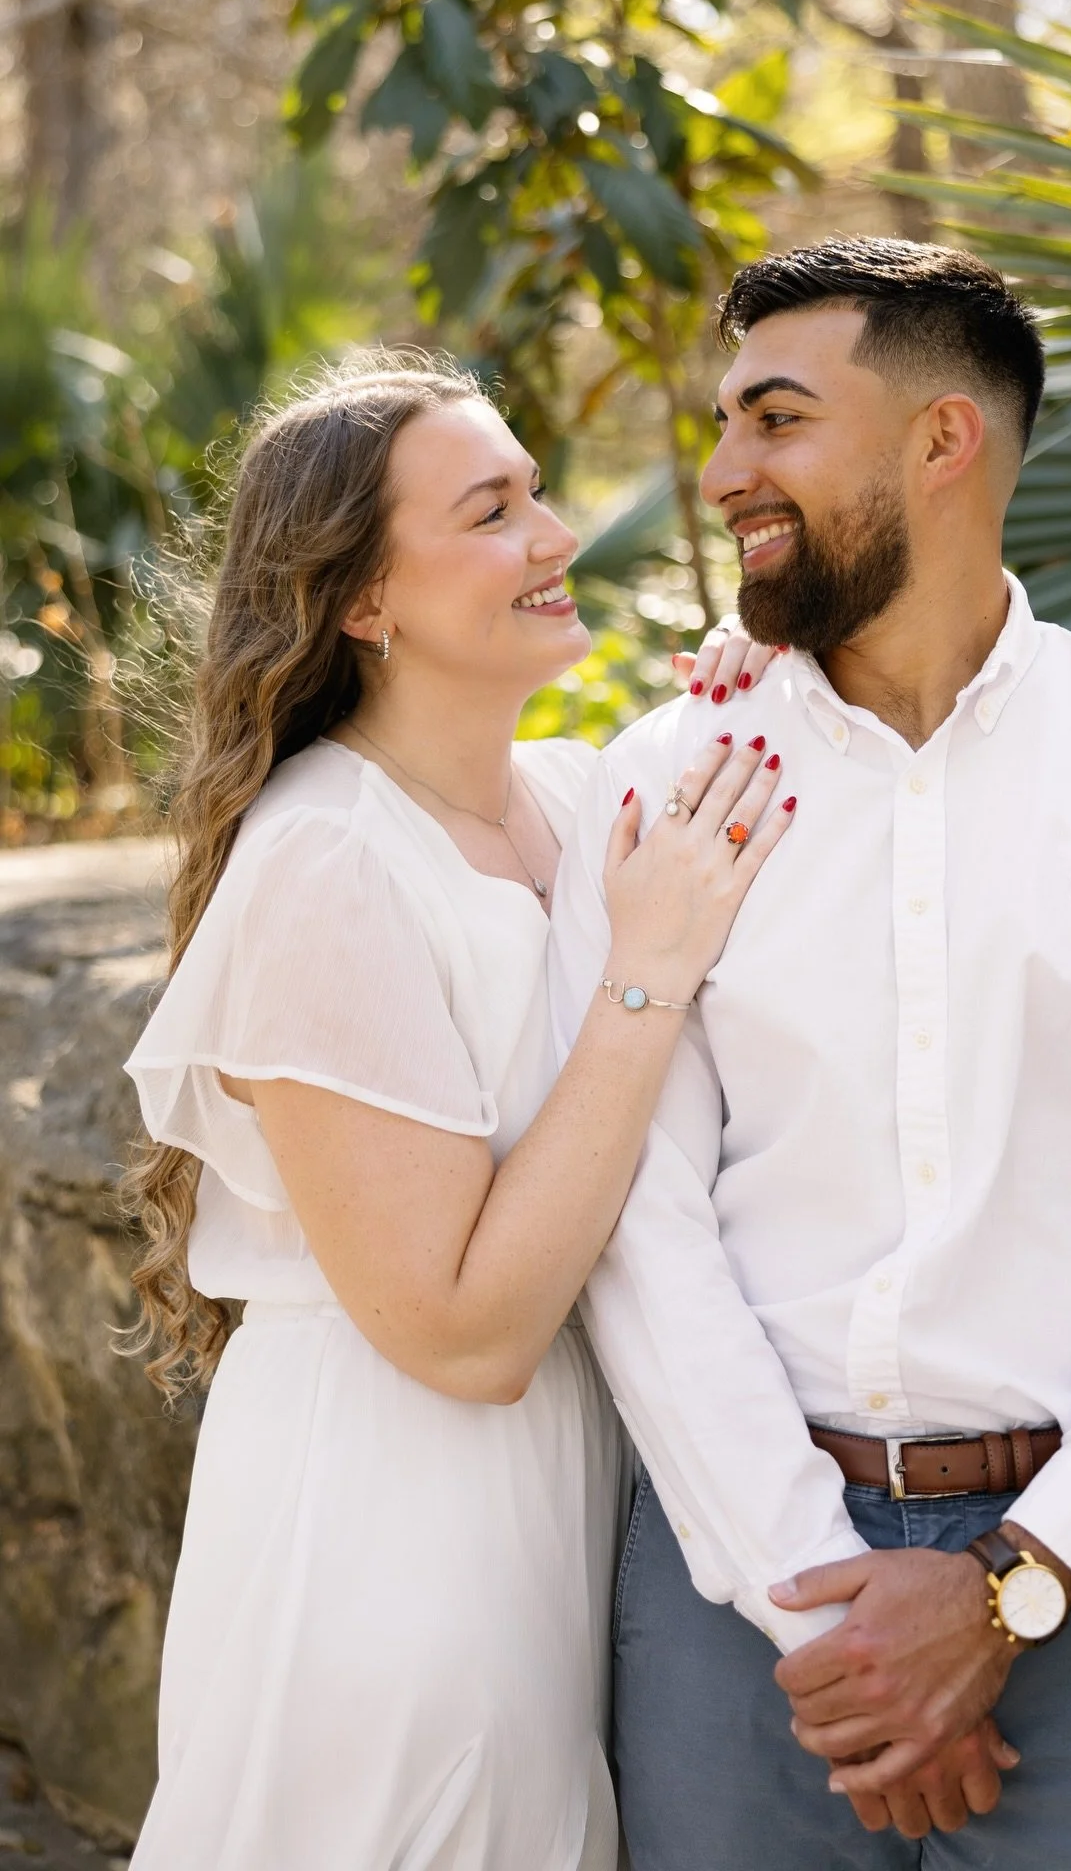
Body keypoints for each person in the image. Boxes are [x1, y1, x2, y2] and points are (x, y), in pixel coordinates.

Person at [546, 237, 1071, 1871]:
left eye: (775, 418)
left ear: (941, 441)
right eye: (723, 424)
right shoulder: (669, 782)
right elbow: (634, 1214)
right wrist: (817, 1611)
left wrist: (1015, 1582)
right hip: (734, 1593)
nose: (720, 474)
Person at [120, 349, 792, 1870]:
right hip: (393, 1527)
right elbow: (464, 1331)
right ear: (364, 601)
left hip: (562, 1509)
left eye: (538, 491)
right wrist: (646, 981)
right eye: (493, 510)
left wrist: (770, 696)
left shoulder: (564, 797)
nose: (556, 537)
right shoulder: (327, 865)